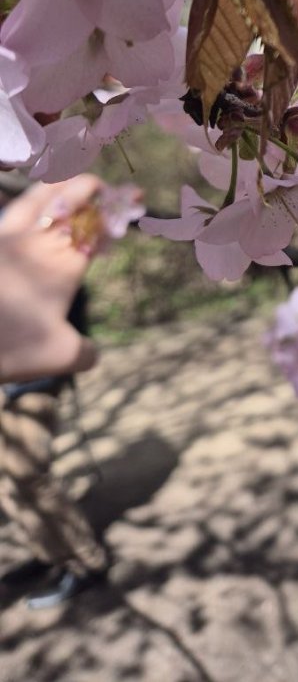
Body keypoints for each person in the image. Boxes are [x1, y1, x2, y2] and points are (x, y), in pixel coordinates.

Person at [0, 176, 110, 609]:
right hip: (9, 376)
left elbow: (66, 304)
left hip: (36, 380)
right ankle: (48, 554)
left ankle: (86, 561)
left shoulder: (49, 237)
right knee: (9, 481)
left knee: (30, 472)